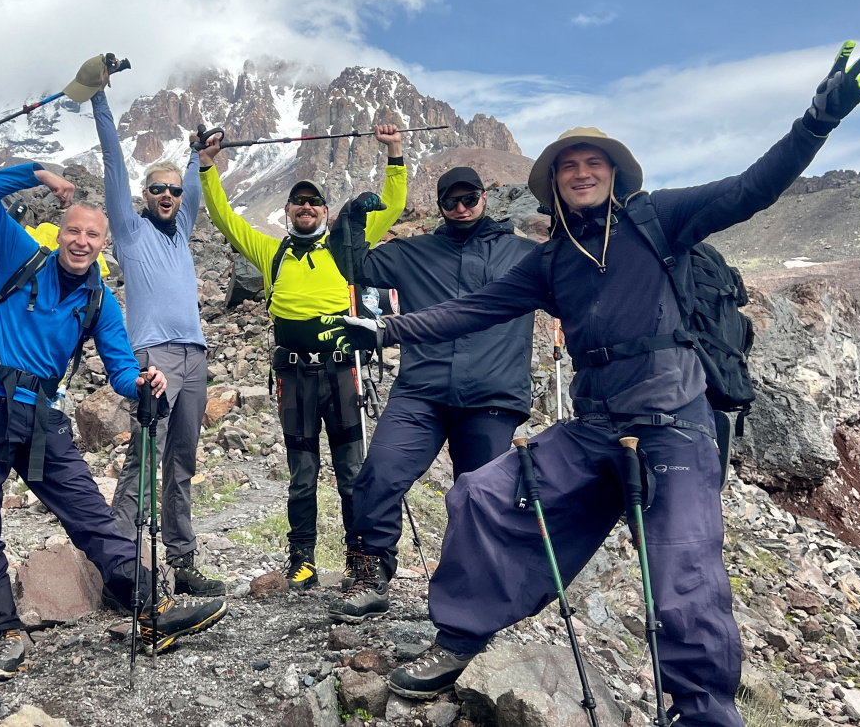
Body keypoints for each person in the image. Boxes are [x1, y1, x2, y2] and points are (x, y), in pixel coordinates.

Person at [324, 44, 860, 727]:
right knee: (482, 494)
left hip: (674, 425)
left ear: (614, 174)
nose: (582, 172)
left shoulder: (661, 220)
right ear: (553, 183)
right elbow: (472, 310)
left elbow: (751, 189)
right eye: (569, 166)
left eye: (594, 163)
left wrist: (814, 124)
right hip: (592, 431)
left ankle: (703, 713)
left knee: (684, 584)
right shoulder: (552, 261)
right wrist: (384, 333)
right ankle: (460, 638)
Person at [0, 160, 227, 681]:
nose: (81, 240)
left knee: (91, 514)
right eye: (72, 230)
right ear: (59, 233)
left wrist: (142, 382)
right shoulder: (22, 256)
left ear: (103, 244)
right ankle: (3, 633)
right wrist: (37, 174)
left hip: (40, 414)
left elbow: (120, 368)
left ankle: (150, 608)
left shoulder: (100, 301)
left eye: (92, 234)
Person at [195, 125, 407, 590]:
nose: (306, 207)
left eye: (314, 202)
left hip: (342, 375)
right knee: (302, 473)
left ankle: (359, 558)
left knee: (352, 470)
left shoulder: (346, 245)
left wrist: (394, 153)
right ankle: (302, 558)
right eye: (299, 202)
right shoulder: (271, 252)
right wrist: (207, 167)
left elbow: (391, 207)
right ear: (288, 211)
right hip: (294, 379)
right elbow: (225, 219)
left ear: (326, 212)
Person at [326, 166, 539, 623]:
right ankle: (369, 574)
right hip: (420, 392)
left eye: (470, 198)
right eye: (451, 201)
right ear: (440, 205)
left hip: (492, 397)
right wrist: (350, 219)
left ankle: (472, 594)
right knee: (379, 473)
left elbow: (575, 280)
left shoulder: (525, 254)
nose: (461, 208)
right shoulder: (414, 253)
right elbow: (354, 263)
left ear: (485, 198)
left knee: (478, 495)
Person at [91, 91, 225, 596]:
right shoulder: (128, 231)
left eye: (172, 190)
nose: (168, 196)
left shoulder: (183, 228)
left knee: (181, 463)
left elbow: (195, 185)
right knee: (145, 458)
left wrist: (197, 154)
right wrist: (101, 101)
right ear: (145, 195)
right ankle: (119, 568)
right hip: (155, 356)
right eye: (157, 189)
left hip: (194, 356)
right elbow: (112, 164)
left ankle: (183, 561)